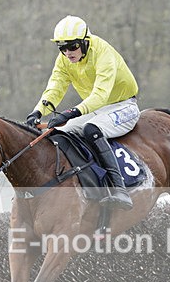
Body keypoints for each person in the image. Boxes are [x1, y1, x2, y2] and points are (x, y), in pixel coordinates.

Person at [26, 15, 140, 210]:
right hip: (97, 109)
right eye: (62, 48)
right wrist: (37, 112)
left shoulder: (103, 52)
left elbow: (100, 95)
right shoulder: (64, 60)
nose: (67, 53)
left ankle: (119, 189)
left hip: (124, 105)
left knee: (91, 130)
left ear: (85, 42)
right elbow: (55, 88)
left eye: (72, 46)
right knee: (59, 134)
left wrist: (71, 112)